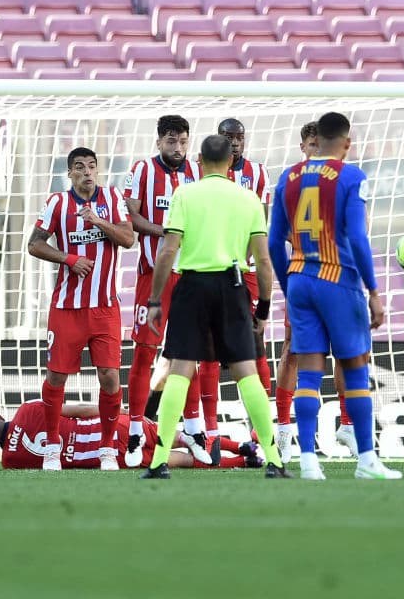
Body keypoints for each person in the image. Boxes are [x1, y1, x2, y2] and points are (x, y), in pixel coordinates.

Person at [141, 134, 289, 479]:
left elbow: (167, 250)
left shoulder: (185, 194)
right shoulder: (248, 198)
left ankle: (158, 460)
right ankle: (275, 461)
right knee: (245, 372)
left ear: (199, 160)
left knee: (180, 368)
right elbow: (264, 261)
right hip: (232, 285)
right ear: (230, 162)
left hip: (191, 284)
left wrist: (154, 300)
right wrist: (263, 308)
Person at [269, 111, 400, 481]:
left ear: (317, 140)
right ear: (346, 142)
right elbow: (358, 238)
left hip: (300, 281)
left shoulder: (288, 178)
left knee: (310, 370)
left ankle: (308, 461)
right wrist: (373, 291)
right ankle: (366, 461)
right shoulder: (351, 176)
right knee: (356, 369)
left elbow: (274, 238)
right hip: (338, 279)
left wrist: (287, 279)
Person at [27, 147, 135, 471]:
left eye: (91, 166)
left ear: (97, 171)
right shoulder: (57, 203)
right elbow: (34, 244)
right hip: (67, 307)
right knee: (56, 377)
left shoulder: (113, 198)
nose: (87, 172)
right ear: (70, 174)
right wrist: (68, 259)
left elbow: (128, 239)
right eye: (79, 167)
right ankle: (51, 446)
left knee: (110, 378)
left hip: (104, 307)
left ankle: (106, 448)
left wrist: (98, 220)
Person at [122, 114, 211, 468]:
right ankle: (133, 431)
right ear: (159, 141)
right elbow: (131, 218)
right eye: (171, 141)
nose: (178, 148)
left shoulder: (196, 173)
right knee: (144, 353)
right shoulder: (142, 170)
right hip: (152, 276)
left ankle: (193, 428)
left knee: (189, 354)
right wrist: (167, 232)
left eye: (183, 142)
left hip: (189, 276)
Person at [272, 121, 358, 462]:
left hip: (340, 279)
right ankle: (283, 428)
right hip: (305, 279)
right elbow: (281, 233)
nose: (315, 150)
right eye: (310, 144)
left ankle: (348, 425)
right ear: (303, 147)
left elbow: (355, 231)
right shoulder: (293, 182)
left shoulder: (344, 180)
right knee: (294, 351)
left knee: (346, 352)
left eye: (319, 144)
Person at [193, 118, 273, 446]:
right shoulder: (201, 173)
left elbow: (263, 220)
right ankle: (209, 429)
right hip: (212, 269)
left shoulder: (258, 173)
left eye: (239, 137)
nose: (235, 142)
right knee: (209, 349)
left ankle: (261, 428)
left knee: (254, 345)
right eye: (229, 137)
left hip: (248, 271)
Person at [0, 402, 262, 470]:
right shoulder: (27, 410)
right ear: (0, 416)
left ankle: (241, 462)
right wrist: (117, 410)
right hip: (110, 431)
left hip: (111, 458)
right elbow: (81, 410)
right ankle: (243, 445)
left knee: (178, 461)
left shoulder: (10, 462)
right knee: (182, 436)